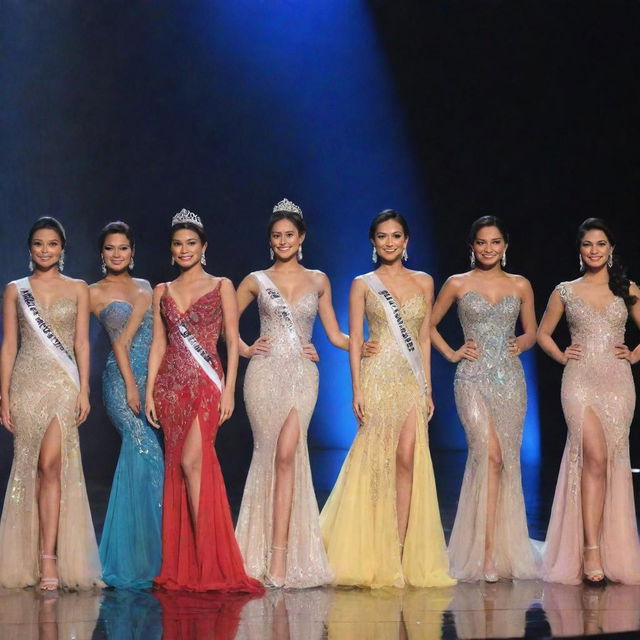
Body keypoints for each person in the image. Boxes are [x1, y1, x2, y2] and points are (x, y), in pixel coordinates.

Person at [320, 209, 454, 588]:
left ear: (406, 241)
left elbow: (424, 337)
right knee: (377, 462)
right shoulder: (363, 283)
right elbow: (356, 341)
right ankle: (372, 548)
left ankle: (397, 549)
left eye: (396, 236)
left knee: (407, 458)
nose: (390, 242)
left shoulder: (425, 282)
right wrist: (356, 389)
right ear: (373, 242)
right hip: (377, 376)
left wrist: (428, 387)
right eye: (382, 236)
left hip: (410, 380)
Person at [235, 198, 351, 588]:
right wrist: (247, 347)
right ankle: (259, 552)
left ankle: (282, 555)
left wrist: (372, 343)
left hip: (303, 375)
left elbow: (334, 333)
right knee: (269, 456)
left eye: (289, 235)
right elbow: (224, 324)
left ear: (301, 237)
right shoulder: (255, 279)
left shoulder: (318, 280)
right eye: (276, 236)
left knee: (288, 455)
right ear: (270, 240)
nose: (283, 241)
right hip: (264, 375)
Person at [145, 209, 262, 593]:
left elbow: (230, 338)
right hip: (170, 388)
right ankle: (191, 561)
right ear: (171, 249)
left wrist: (228, 389)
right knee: (180, 468)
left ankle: (207, 558)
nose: (184, 249)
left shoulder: (222, 285)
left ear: (203, 247)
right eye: (178, 244)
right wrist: (149, 391)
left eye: (191, 243)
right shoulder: (161, 291)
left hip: (207, 384)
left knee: (193, 462)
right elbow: (159, 344)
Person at [430, 215, 539, 582]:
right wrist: (452, 352)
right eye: (481, 242)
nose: (488, 248)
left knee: (502, 461)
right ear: (472, 247)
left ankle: (494, 548)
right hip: (472, 378)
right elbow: (427, 324)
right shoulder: (457, 283)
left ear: (505, 246)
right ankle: (481, 552)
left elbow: (532, 331)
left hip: (510, 380)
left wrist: (522, 342)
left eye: (495, 242)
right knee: (486, 453)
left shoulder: (521, 284)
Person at [0, 217, 102, 590]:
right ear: (30, 249)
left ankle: (50, 560)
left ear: (63, 248)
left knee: (52, 464)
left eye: (53, 244)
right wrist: (4, 394)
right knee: (32, 469)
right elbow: (9, 345)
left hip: (63, 384)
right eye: (39, 244)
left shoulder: (78, 289)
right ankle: (33, 556)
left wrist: (84, 390)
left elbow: (82, 344)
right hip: (26, 384)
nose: (46, 250)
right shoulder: (15, 289)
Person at [538, 217, 640, 585]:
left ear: (611, 249)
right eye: (587, 245)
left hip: (617, 383)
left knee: (607, 461)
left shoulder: (627, 289)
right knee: (593, 456)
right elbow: (542, 333)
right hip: (579, 382)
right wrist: (563, 355)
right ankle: (589, 548)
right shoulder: (565, 290)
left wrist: (635, 353)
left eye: (600, 244)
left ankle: (606, 547)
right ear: (579, 251)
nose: (594, 250)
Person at [89, 221, 163, 589]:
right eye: (109, 248)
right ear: (101, 254)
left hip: (149, 384)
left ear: (132, 251)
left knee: (143, 462)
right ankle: (138, 561)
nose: (116, 254)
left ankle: (147, 553)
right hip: (121, 385)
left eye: (123, 248)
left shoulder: (147, 287)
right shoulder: (91, 292)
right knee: (147, 455)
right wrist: (132, 388)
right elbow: (70, 335)